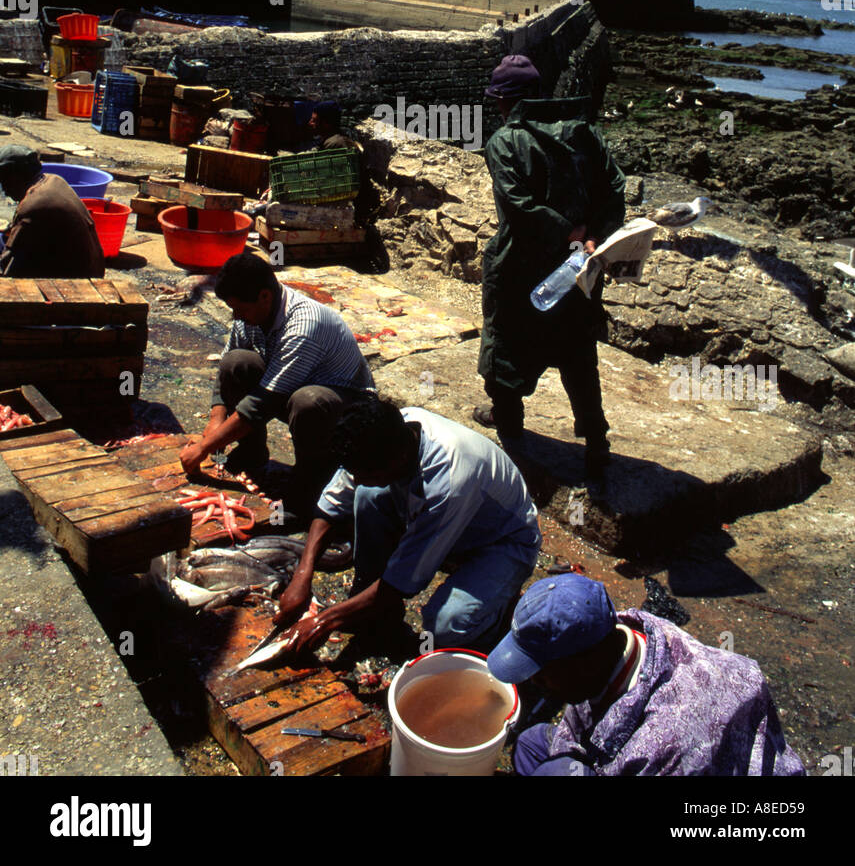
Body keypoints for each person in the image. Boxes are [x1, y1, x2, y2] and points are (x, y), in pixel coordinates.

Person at [271, 399, 541, 656]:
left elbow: (402, 582)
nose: (358, 479)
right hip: (452, 527)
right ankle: (369, 601)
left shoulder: (448, 479)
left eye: (367, 474)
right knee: (366, 495)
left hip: (503, 542)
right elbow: (333, 503)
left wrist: (324, 621)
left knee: (446, 627)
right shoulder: (384, 434)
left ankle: (499, 613)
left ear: (397, 460)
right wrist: (303, 575)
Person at [488, 574, 805, 777]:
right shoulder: (627, 634)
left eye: (541, 672)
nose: (532, 681)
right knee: (532, 744)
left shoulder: (669, 743)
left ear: (582, 663)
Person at [475, 54, 625, 476]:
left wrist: (567, 234)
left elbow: (519, 208)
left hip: (521, 267)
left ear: (506, 101)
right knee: (578, 353)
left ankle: (509, 427)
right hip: (579, 267)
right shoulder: (584, 131)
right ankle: (596, 441)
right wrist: (591, 234)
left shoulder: (506, 141)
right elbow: (614, 187)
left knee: (504, 346)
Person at [179, 252, 376, 509]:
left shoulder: (304, 325)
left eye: (241, 309)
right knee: (237, 362)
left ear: (265, 296)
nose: (237, 316)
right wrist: (215, 422)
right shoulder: (250, 314)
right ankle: (252, 454)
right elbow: (227, 365)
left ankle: (312, 486)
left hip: (344, 405)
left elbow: (263, 402)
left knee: (308, 402)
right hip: (288, 389)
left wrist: (205, 447)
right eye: (233, 309)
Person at [0, 145, 104, 278]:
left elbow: (8, 268)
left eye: (5, 181)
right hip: (92, 268)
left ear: (17, 176)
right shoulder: (54, 180)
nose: (5, 190)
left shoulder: (33, 205)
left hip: (75, 280)